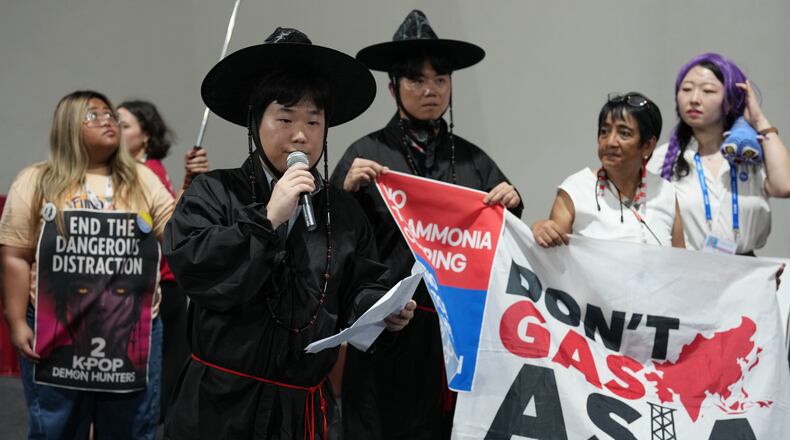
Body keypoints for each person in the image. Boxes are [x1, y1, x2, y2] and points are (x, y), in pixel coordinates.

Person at [162, 27, 416, 439]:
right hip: (221, 403)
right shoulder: (214, 191)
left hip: (302, 409)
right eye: (285, 119)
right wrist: (268, 219)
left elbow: (361, 282)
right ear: (255, 122)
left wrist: (381, 308)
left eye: (313, 121)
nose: (301, 134)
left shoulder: (343, 210)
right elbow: (195, 267)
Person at [331, 10, 522, 440]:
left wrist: (512, 203)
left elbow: (503, 242)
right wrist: (342, 194)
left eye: (441, 79)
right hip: (387, 333)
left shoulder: (474, 161)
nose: (431, 90)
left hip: (453, 338)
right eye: (416, 80)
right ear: (393, 87)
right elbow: (329, 240)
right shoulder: (365, 156)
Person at [0, 90, 175, 439]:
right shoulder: (36, 179)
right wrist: (17, 321)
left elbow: (175, 233)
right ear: (68, 126)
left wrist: (195, 191)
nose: (108, 120)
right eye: (94, 115)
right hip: (55, 332)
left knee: (130, 429)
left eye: (111, 115)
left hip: (132, 333)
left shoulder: (142, 179)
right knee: (55, 428)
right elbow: (16, 255)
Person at [117, 100, 208, 422]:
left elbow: (168, 225)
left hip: (161, 282)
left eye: (124, 125)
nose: (114, 130)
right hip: (162, 281)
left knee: (162, 364)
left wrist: (189, 182)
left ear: (145, 136)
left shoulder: (146, 172)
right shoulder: (144, 168)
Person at [648, 53, 790, 255]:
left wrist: (759, 120)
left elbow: (785, 186)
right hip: (687, 268)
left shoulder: (751, 154)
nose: (694, 99)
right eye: (686, 89)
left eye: (708, 91)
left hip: (746, 269)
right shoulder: (663, 159)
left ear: (730, 100)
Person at [533, 93, 684, 248]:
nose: (610, 142)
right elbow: (550, 253)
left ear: (648, 145)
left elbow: (681, 260)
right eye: (604, 131)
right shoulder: (575, 190)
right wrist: (538, 229)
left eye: (624, 133)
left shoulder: (665, 192)